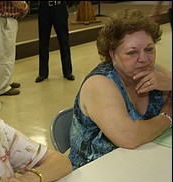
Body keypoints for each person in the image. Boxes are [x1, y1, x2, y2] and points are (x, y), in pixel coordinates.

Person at [68, 8, 172, 170]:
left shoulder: (153, 71)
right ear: (112, 54)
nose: (143, 58)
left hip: (139, 164)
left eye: (149, 49)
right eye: (132, 52)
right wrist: (167, 116)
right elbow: (129, 137)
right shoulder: (100, 83)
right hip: (94, 174)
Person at [0, 1, 29, 96]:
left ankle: (7, 81)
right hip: (3, 18)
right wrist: (24, 7)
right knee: (5, 53)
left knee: (5, 52)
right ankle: (2, 87)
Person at [35, 1, 75, 83]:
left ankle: (67, 71)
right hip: (44, 8)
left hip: (59, 7)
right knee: (43, 41)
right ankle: (43, 73)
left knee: (64, 41)